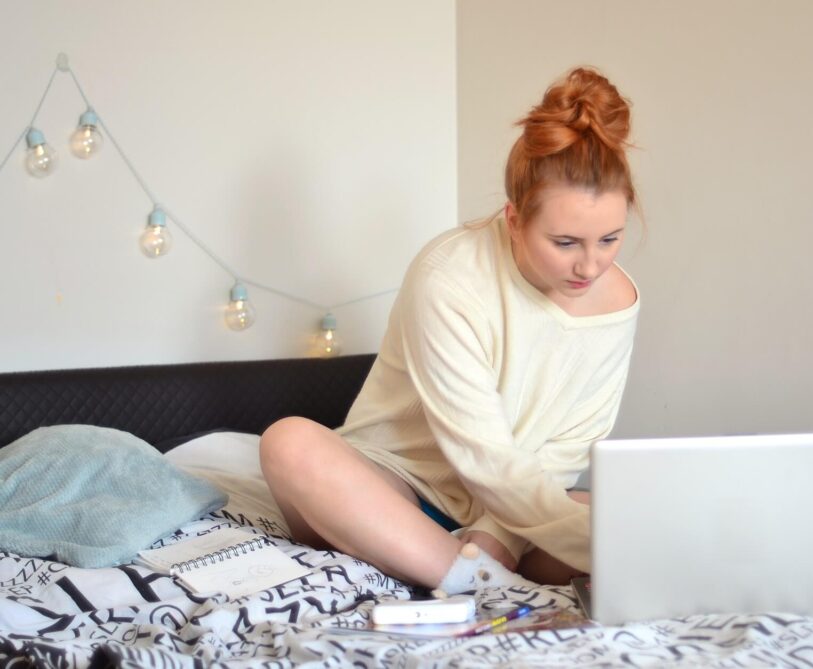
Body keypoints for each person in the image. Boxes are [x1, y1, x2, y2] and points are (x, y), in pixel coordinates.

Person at [260, 66, 641, 596]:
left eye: (610, 238)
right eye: (565, 242)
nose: (590, 266)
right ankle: (470, 579)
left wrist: (494, 540)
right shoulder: (449, 275)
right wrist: (486, 555)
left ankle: (464, 575)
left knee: (639, 515)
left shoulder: (617, 302)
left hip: (511, 513)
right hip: (392, 489)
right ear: (513, 219)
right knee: (289, 444)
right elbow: (481, 455)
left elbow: (566, 452)